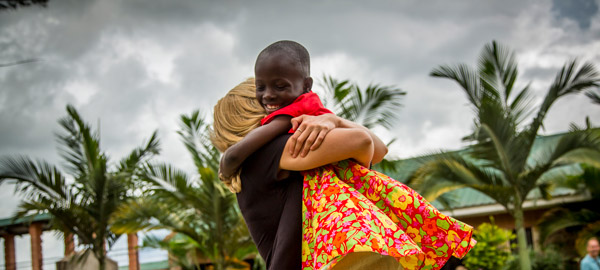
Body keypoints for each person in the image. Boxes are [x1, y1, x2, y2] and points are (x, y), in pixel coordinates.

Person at [212, 41, 476, 270]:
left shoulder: (261, 159)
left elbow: (379, 150)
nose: (273, 97)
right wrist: (329, 121)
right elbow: (363, 142)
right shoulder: (269, 152)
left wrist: (330, 121)